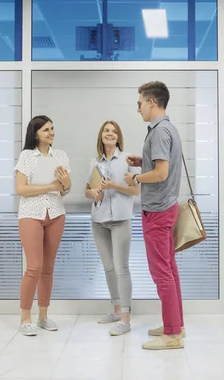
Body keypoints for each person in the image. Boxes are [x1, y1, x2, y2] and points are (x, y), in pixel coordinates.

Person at [124, 81, 185, 350]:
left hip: (158, 211)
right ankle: (175, 324)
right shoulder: (167, 129)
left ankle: (172, 335)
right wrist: (143, 162)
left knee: (162, 272)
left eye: (139, 103)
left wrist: (136, 176)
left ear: (151, 102)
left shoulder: (160, 132)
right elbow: (160, 167)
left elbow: (161, 174)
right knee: (169, 270)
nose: (138, 108)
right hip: (165, 206)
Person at [14, 115, 71, 336]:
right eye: (46, 129)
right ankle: (25, 318)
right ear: (35, 133)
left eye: (52, 128)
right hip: (31, 215)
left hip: (56, 213)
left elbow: (66, 188)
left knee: (47, 268)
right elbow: (21, 189)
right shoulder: (27, 156)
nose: (51, 132)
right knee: (34, 267)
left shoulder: (61, 156)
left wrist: (65, 184)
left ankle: (43, 317)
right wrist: (50, 186)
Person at [85, 121, 140, 336]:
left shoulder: (127, 160)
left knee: (121, 267)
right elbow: (87, 191)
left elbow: (136, 191)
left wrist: (113, 186)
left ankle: (125, 319)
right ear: (101, 136)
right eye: (106, 131)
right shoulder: (94, 162)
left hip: (120, 219)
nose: (110, 134)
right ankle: (116, 310)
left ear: (118, 137)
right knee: (108, 267)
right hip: (98, 220)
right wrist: (95, 194)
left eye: (114, 131)